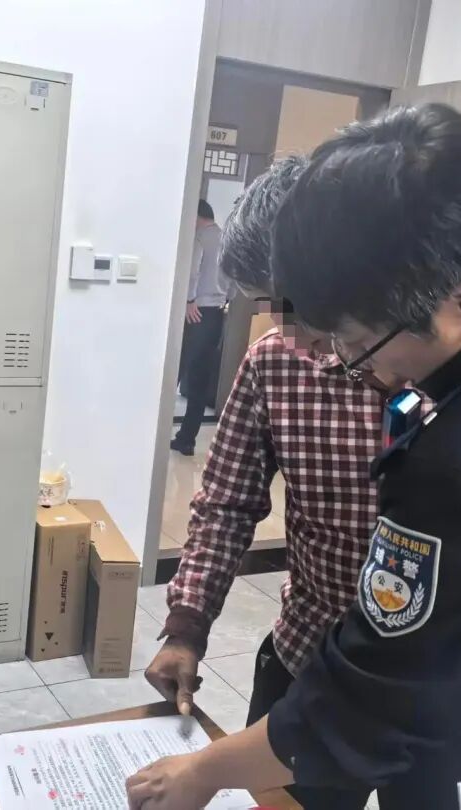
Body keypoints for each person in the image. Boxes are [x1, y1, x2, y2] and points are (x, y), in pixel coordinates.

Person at [128, 103, 461, 808]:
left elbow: (388, 696)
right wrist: (187, 623)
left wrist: (204, 772)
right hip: (333, 660)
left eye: (343, 336)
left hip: (447, 706)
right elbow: (226, 501)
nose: (322, 352)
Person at [146, 155, 405, 810]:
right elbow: (226, 503)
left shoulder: (438, 370)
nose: (289, 330)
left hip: (430, 681)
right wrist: (187, 625)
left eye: (296, 307)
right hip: (310, 653)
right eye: (269, 307)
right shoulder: (275, 362)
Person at [171, 199, 229, 456]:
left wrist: (189, 300)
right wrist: (225, 299)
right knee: (200, 380)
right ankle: (187, 439)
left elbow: (193, 271)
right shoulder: (228, 239)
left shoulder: (200, 238)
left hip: (195, 312)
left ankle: (157, 433)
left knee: (175, 371)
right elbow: (233, 278)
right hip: (216, 313)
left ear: (198, 216)